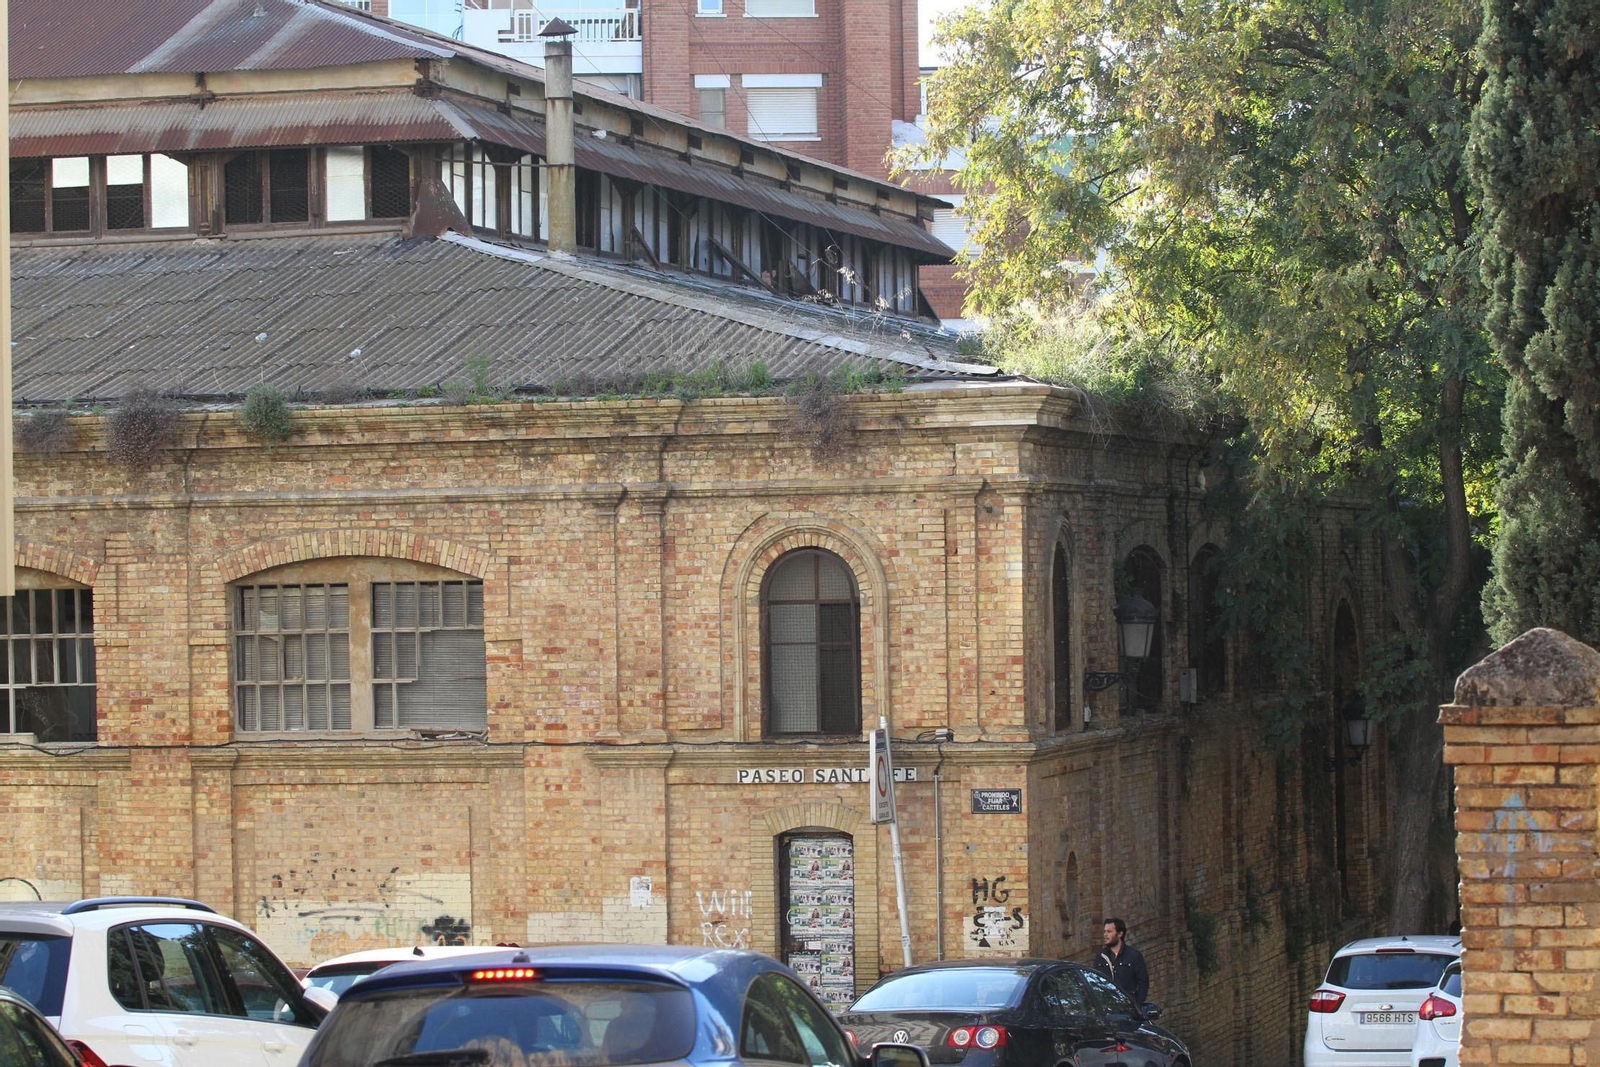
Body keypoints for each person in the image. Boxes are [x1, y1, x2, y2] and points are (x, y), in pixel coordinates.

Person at [1094, 917, 1149, 1008]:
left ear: (1120, 933)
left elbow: (1143, 982)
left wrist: (1136, 1005)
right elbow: (1096, 983)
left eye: (1109, 932)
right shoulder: (1100, 957)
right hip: (1107, 1009)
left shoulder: (1134, 956)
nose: (1105, 935)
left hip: (1128, 1008)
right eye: (1105, 931)